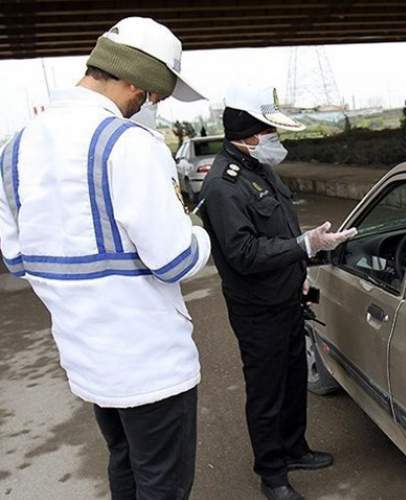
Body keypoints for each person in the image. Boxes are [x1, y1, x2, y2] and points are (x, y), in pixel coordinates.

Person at [0, 17, 209, 500]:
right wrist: (200, 235)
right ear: (133, 78)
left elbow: (16, 260)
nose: (151, 106)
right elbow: (176, 261)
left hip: (88, 362)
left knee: (126, 465)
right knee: (164, 483)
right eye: (154, 94)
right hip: (152, 367)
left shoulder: (16, 150)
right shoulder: (128, 145)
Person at [199, 83, 356, 500]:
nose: (276, 141)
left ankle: (294, 448)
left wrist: (301, 263)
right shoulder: (223, 185)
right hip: (257, 309)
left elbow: (280, 229)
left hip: (287, 295)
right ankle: (272, 475)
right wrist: (304, 246)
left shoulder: (259, 169)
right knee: (266, 391)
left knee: (292, 378)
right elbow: (244, 252)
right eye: (271, 132)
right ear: (250, 136)